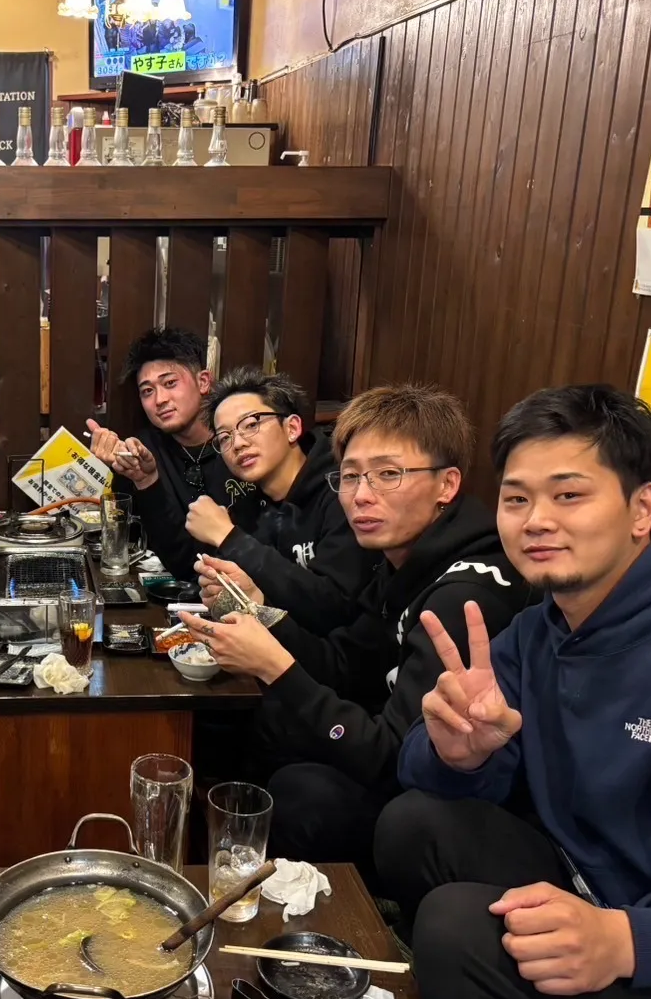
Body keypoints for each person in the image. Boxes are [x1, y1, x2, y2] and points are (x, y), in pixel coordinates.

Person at [376, 385, 651, 999]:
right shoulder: (541, 629)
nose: (537, 520)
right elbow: (423, 763)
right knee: (411, 823)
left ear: (641, 509)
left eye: (568, 495)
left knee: (455, 934)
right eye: (516, 499)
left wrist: (627, 942)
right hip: (595, 887)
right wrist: (459, 755)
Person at [179, 384, 529, 871]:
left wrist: (276, 667)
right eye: (350, 477)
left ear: (446, 485)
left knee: (303, 794)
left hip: (452, 808)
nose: (362, 496)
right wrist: (260, 612)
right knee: (270, 727)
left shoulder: (461, 598)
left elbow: (393, 758)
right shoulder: (398, 560)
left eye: (388, 474)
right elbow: (345, 661)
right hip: (386, 748)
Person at [187, 367, 374, 631]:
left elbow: (335, 608)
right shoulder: (249, 506)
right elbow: (261, 603)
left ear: (292, 428)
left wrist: (230, 538)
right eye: (225, 437)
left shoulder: (344, 492)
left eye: (251, 424)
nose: (238, 444)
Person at [87, 327, 260, 580]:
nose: (160, 400)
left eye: (170, 383)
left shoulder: (243, 445)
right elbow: (140, 543)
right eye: (147, 391)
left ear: (203, 382)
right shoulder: (143, 452)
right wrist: (135, 477)